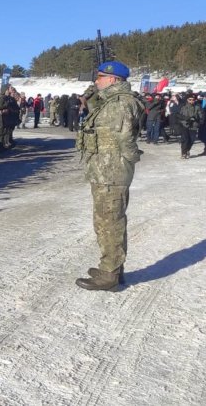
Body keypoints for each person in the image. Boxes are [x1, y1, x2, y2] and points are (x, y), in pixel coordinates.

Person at [75, 61, 142, 291]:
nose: (96, 80)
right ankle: (113, 267)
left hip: (111, 173)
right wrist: (92, 92)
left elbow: (125, 140)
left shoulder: (121, 104)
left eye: (100, 77)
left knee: (110, 222)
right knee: (104, 221)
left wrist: (128, 162)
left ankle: (110, 274)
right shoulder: (110, 102)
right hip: (104, 171)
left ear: (113, 80)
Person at [170, 94, 201, 158]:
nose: (192, 101)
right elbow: (178, 115)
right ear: (187, 100)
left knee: (192, 140)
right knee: (185, 139)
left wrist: (198, 120)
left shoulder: (197, 107)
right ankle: (183, 152)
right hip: (184, 125)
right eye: (190, 99)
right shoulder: (182, 106)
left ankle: (187, 150)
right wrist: (186, 118)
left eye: (193, 100)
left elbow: (201, 115)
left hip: (193, 125)